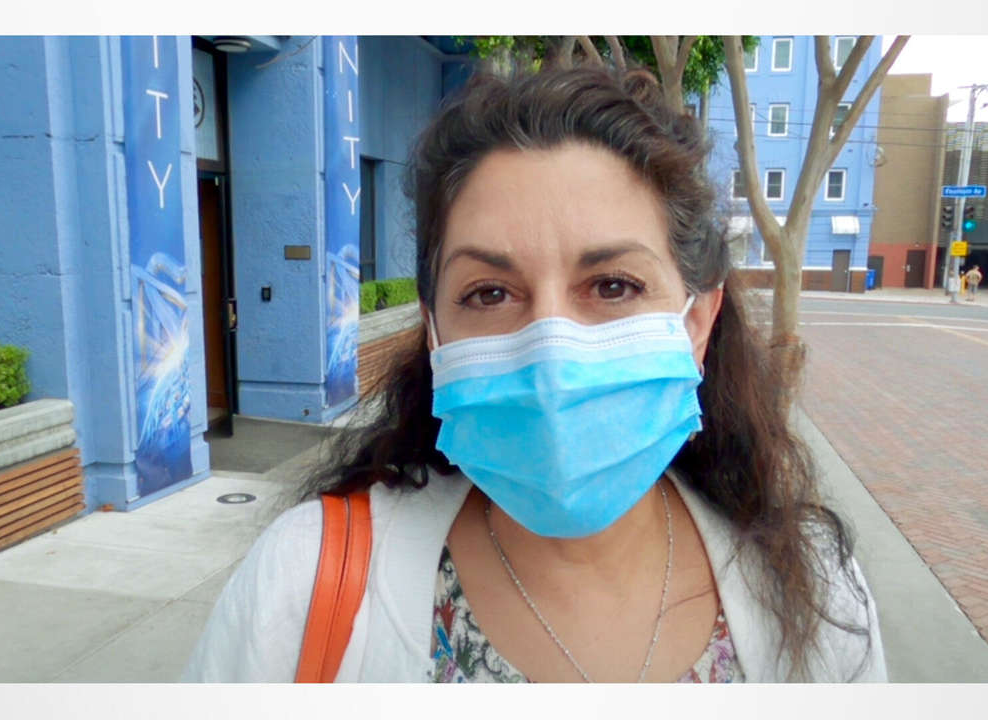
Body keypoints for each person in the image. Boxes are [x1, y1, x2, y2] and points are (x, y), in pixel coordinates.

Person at [182, 67, 885, 683]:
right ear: (433, 331)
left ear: (697, 321)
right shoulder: (299, 585)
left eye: (612, 286)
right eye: (489, 292)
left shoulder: (818, 596)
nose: (551, 354)